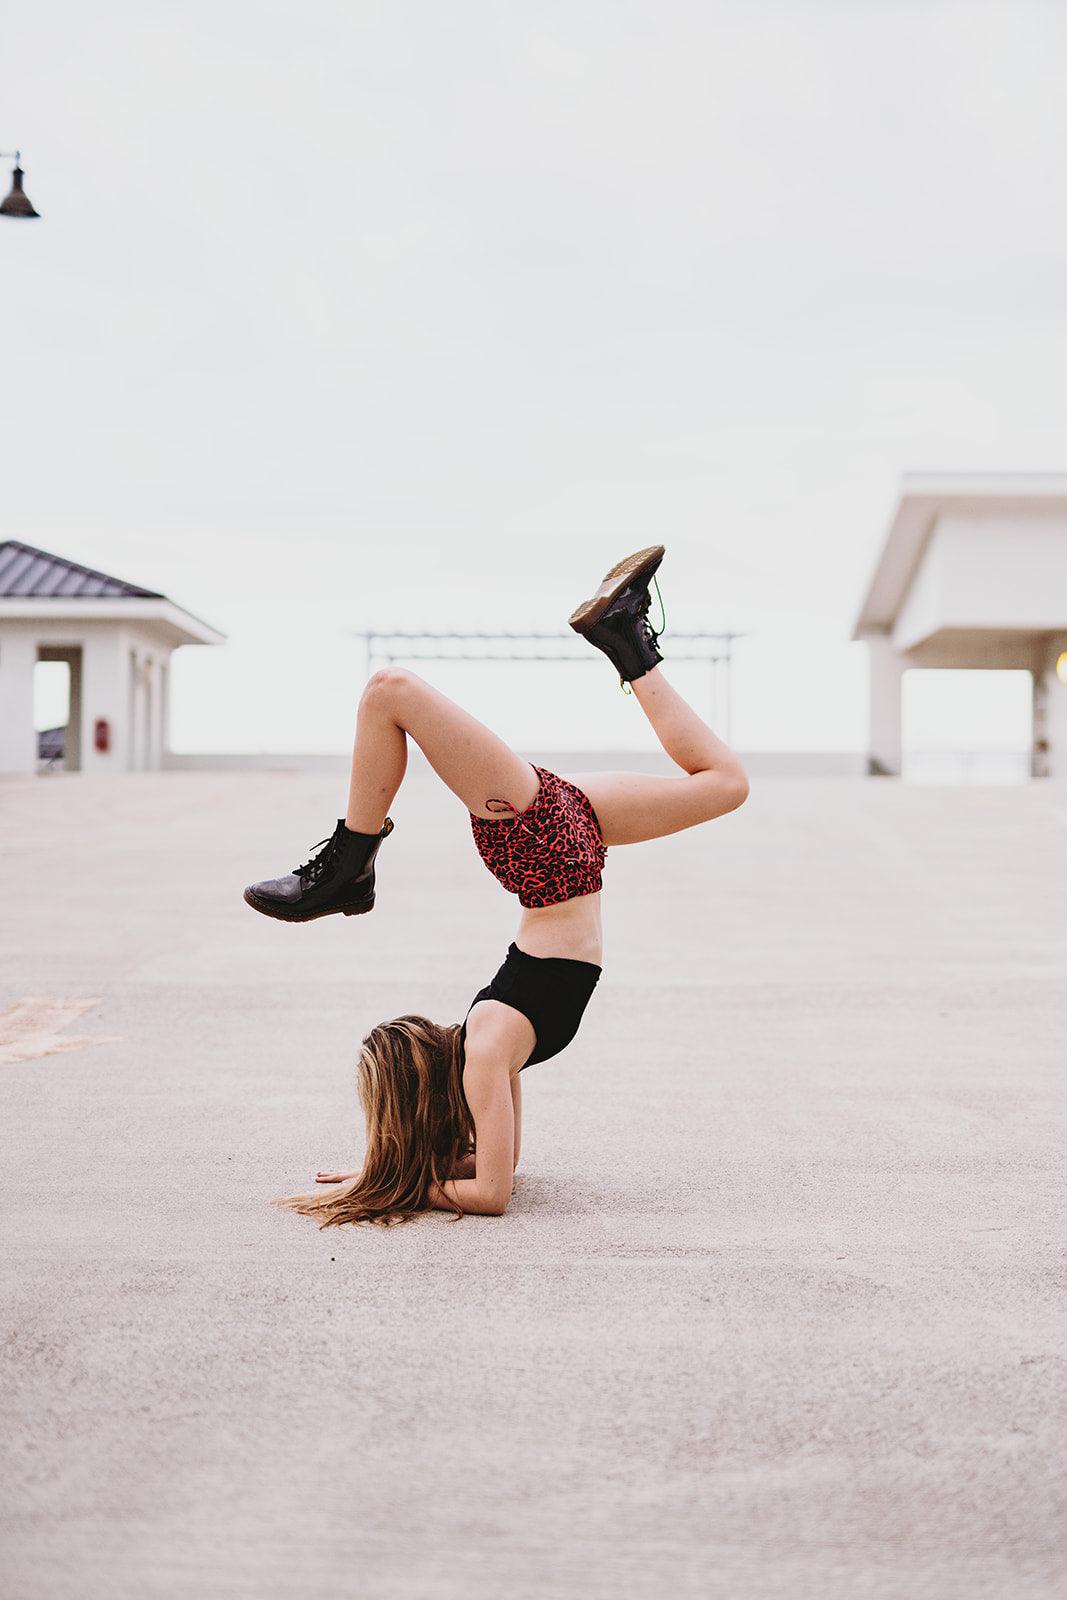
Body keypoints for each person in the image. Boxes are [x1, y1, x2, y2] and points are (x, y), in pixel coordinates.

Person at [246, 546, 749, 1225]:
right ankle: (624, 640)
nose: (429, 1025)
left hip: (556, 859)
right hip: (547, 846)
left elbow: (494, 1174)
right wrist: (392, 1178)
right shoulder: (484, 1050)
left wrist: (391, 1173)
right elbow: (495, 1185)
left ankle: (352, 862)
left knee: (390, 692)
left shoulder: (490, 1046)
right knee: (389, 690)